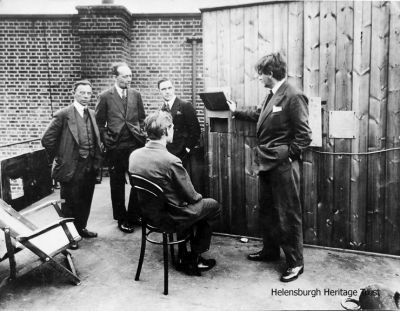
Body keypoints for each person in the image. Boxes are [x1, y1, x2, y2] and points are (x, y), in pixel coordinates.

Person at [227, 52, 312, 282]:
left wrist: (286, 157)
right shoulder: (271, 95)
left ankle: (295, 263)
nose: (259, 78)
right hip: (267, 164)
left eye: (261, 74)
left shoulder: (294, 95)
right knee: (269, 210)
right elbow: (259, 114)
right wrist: (236, 111)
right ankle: (271, 251)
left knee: (288, 213)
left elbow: (304, 137)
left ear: (271, 74)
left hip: (283, 166)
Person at [129, 110, 220, 275]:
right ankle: (194, 258)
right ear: (165, 132)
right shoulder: (171, 160)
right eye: (172, 128)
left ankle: (183, 253)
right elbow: (192, 196)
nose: (173, 131)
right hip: (171, 217)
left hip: (149, 215)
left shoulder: (134, 156)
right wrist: (197, 200)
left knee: (192, 208)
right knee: (212, 206)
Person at [42, 80, 103, 249]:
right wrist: (61, 156)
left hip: (89, 165)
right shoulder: (63, 114)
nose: (85, 96)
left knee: (85, 199)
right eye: (82, 92)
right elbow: (47, 139)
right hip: (71, 167)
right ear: (74, 93)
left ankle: (81, 228)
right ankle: (69, 237)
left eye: (88, 93)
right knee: (69, 202)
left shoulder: (92, 113)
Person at [95, 62, 146, 234]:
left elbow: (141, 117)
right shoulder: (105, 96)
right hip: (115, 146)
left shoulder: (136, 94)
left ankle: (134, 214)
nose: (128, 79)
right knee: (117, 183)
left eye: (130, 76)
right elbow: (99, 123)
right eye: (124, 76)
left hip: (135, 144)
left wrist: (141, 133)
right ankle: (121, 218)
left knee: (137, 180)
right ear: (115, 77)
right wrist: (107, 140)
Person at [158, 78, 201, 166]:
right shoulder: (162, 109)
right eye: (163, 89)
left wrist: (187, 149)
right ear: (159, 91)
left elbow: (196, 130)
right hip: (168, 152)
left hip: (182, 154)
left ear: (173, 88)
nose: (167, 91)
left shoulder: (185, 106)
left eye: (169, 88)